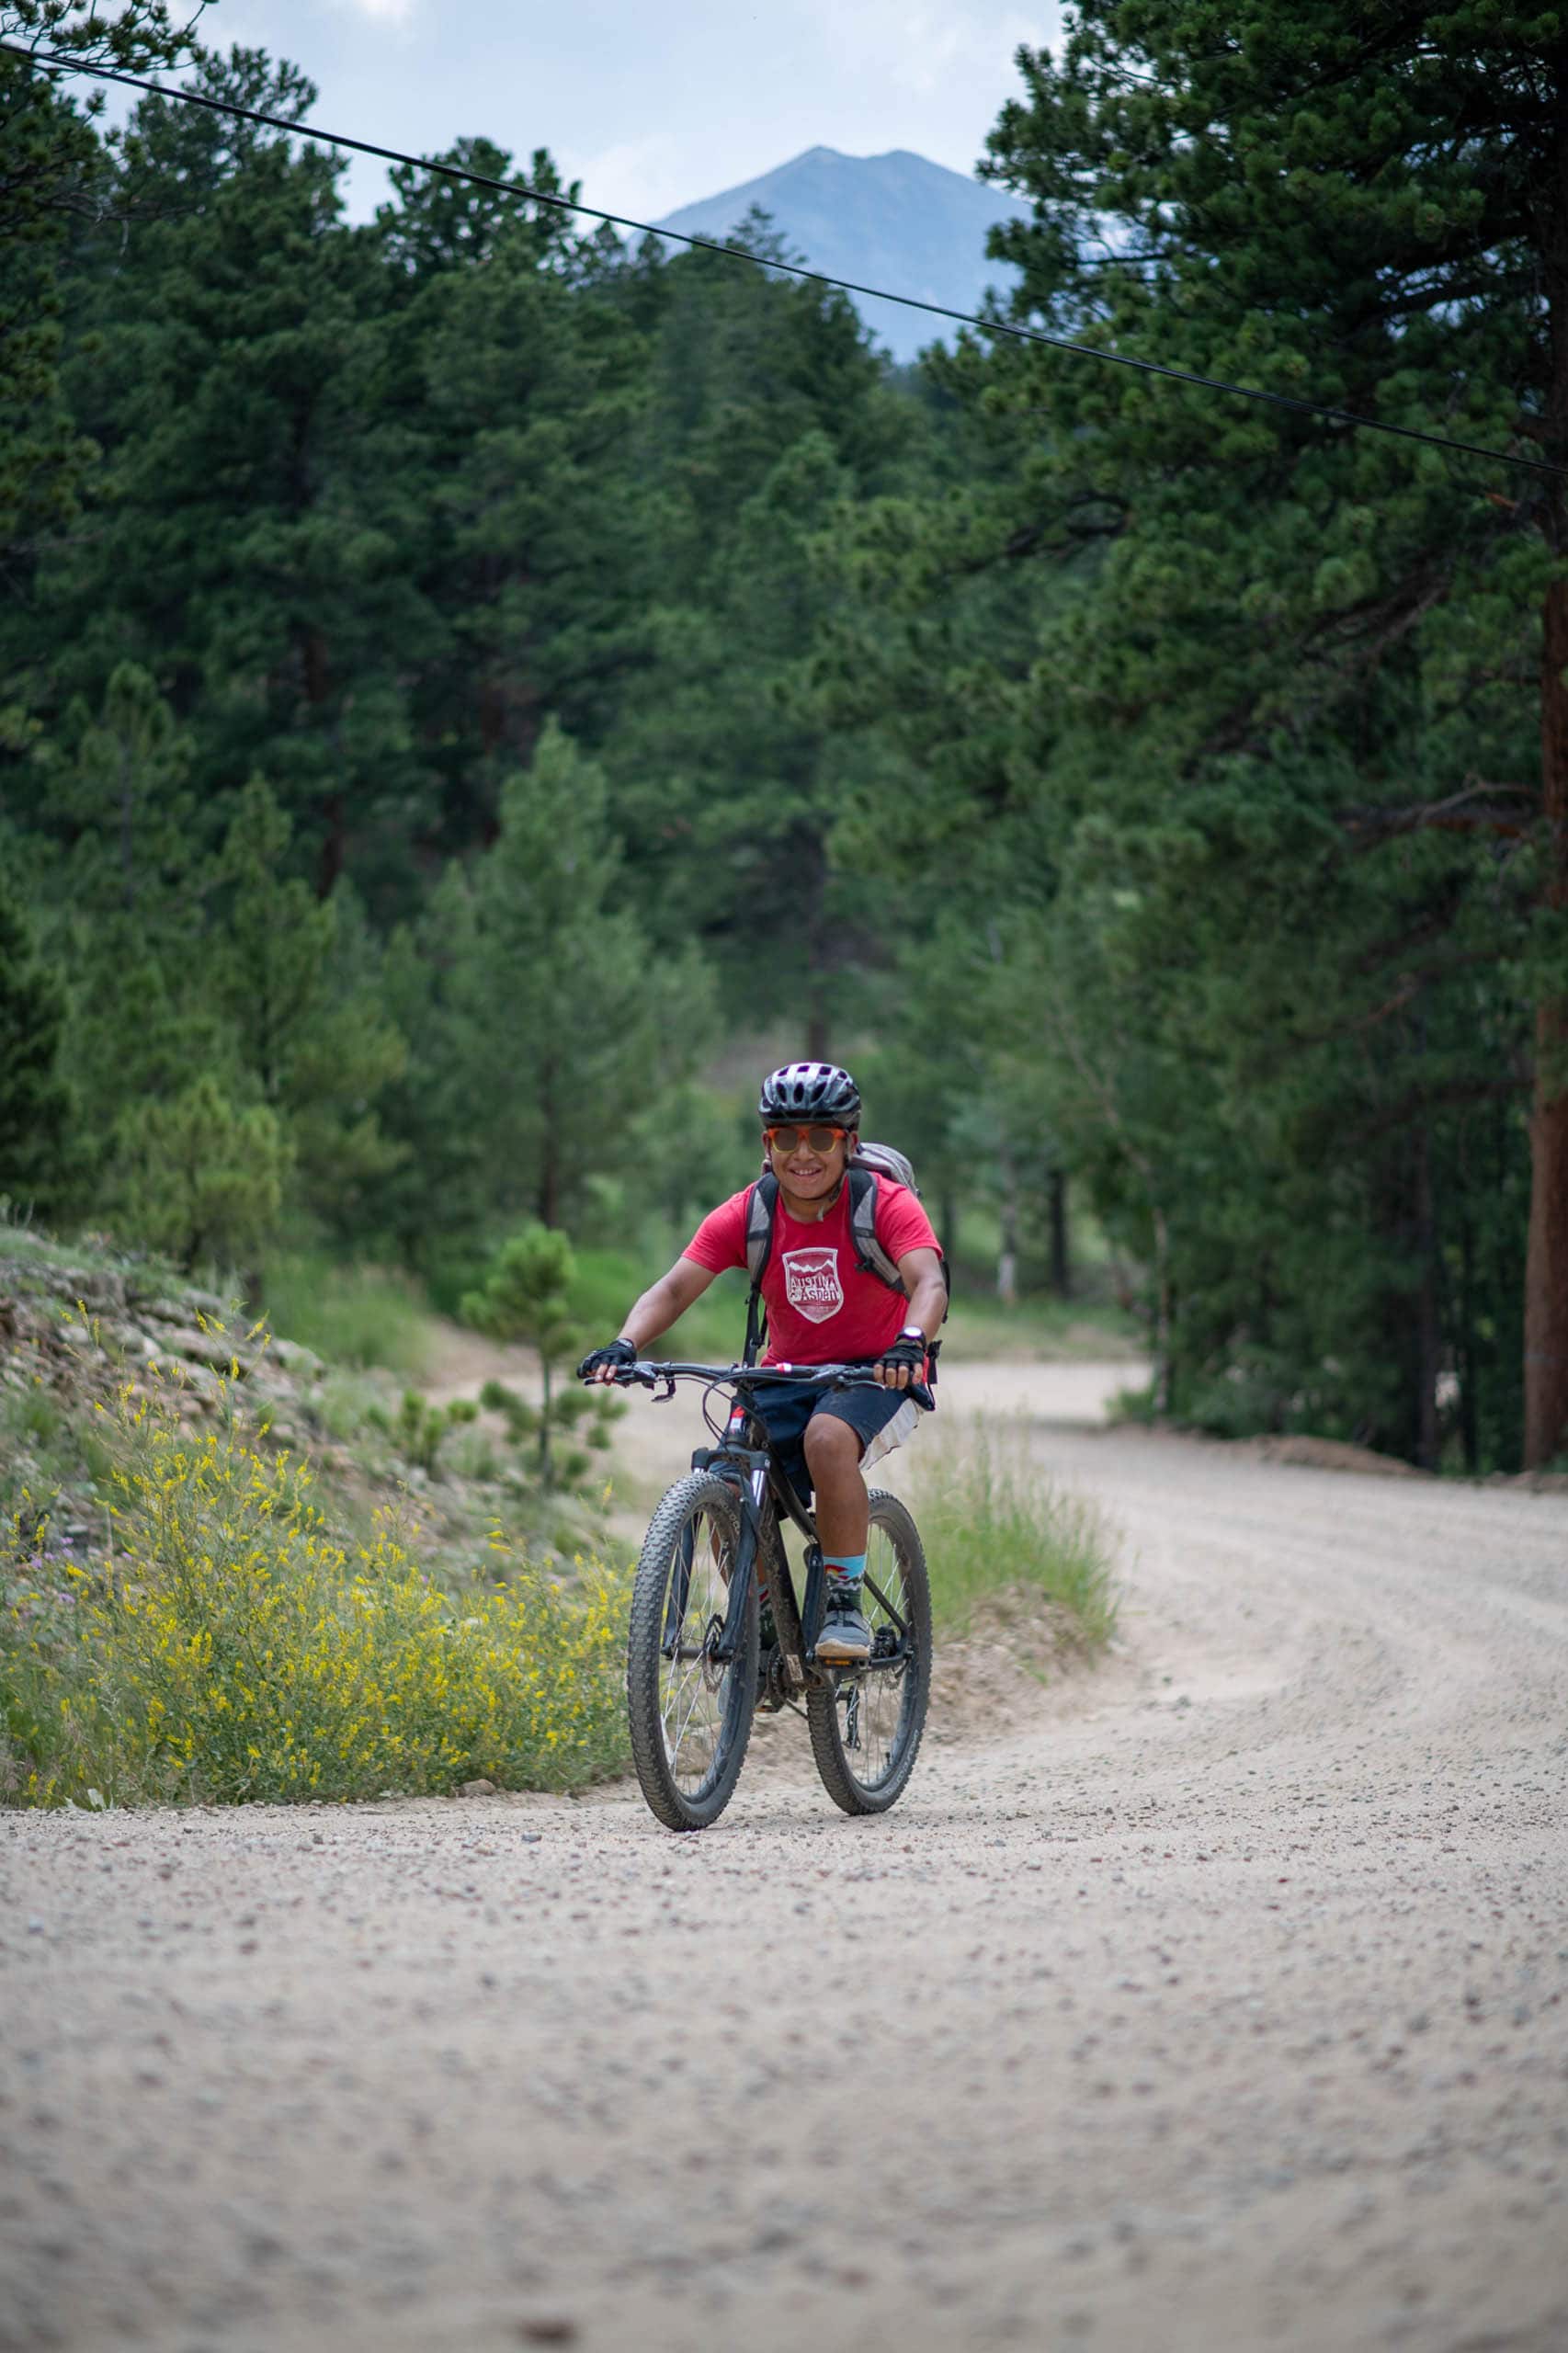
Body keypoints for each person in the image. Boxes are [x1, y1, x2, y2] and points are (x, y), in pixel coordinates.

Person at [579, 1061, 948, 1663]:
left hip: (879, 1372)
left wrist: (912, 1342)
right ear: (766, 1144)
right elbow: (673, 1289)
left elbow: (928, 1280)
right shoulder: (750, 1212)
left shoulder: (885, 1203)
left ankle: (844, 1606)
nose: (805, 1153)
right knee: (726, 1478)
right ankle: (767, 1626)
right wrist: (626, 1343)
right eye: (786, 1137)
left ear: (849, 1143)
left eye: (822, 1137)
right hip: (785, 1374)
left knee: (828, 1441)